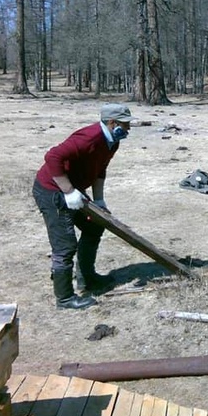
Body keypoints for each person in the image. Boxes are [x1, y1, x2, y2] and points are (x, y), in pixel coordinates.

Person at [32, 103, 136, 309]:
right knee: (65, 245)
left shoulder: (112, 142)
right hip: (52, 190)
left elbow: (100, 170)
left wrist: (99, 200)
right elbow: (53, 157)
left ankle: (87, 279)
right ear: (112, 122)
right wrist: (68, 192)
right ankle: (65, 299)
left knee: (94, 226)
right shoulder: (89, 137)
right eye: (125, 125)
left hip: (74, 191)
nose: (128, 129)